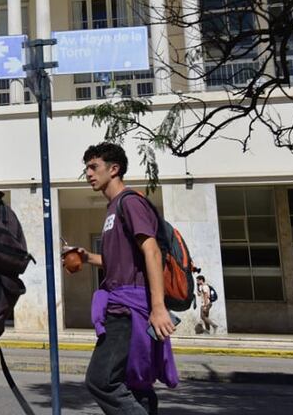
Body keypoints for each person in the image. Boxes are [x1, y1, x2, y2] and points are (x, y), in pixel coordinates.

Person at [68, 143, 178, 414]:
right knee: (135, 385)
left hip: (130, 310)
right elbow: (119, 261)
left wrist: (158, 307)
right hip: (121, 306)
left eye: (94, 167)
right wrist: (87, 258)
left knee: (101, 380)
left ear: (114, 169)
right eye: (86, 168)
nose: (88, 173)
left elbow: (150, 251)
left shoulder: (130, 202)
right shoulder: (112, 209)